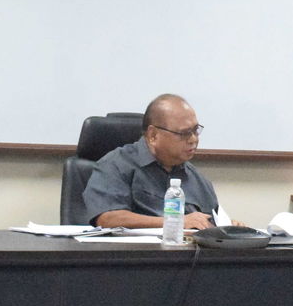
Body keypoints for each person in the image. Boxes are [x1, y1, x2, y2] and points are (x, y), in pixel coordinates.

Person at [83, 94, 219, 230]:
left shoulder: (198, 179)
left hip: (185, 250)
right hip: (131, 250)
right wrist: (175, 222)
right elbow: (107, 218)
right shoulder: (116, 165)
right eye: (184, 133)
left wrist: (227, 227)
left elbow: (209, 222)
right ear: (153, 135)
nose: (193, 139)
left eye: (195, 130)